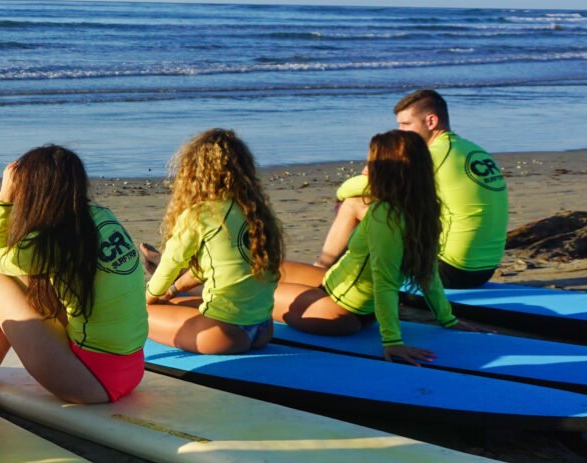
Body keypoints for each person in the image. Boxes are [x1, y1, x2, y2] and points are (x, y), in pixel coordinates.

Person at [276, 130, 473, 364]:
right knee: (271, 269)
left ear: (389, 171)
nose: (365, 170)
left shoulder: (385, 215)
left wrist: (392, 342)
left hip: (339, 312)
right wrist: (447, 319)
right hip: (338, 291)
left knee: (249, 288)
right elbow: (428, 272)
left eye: (371, 163)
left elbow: (385, 281)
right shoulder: (424, 208)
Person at [0, 145, 147, 404]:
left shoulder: (50, 241)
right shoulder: (102, 217)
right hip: (132, 370)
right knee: (19, 281)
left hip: (89, 379)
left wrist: (3, 198)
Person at [317, 88, 507, 289]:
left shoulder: (431, 155)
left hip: (449, 271)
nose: (400, 132)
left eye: (406, 124)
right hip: (484, 269)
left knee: (354, 204)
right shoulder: (473, 149)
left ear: (431, 122)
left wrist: (370, 175)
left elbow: (352, 190)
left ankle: (321, 272)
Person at [143, 129, 283, 354]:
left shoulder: (201, 214)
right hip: (263, 328)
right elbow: (211, 267)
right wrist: (171, 292)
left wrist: (148, 298)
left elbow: (170, 265)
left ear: (193, 174)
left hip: (223, 334)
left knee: (137, 313)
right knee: (173, 304)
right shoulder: (257, 213)